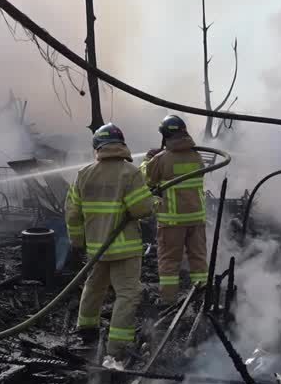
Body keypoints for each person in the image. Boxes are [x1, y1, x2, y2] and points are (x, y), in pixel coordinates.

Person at [65, 123, 155, 366]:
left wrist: (77, 242)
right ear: (121, 144)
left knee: (94, 286)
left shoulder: (84, 174)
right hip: (124, 249)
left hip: (97, 249)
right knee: (127, 294)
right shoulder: (130, 173)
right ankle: (117, 348)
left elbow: (72, 214)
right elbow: (141, 210)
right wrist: (152, 200)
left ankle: (86, 329)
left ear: (98, 147)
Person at [144, 115, 207, 303]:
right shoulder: (197, 156)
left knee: (170, 263)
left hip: (172, 221)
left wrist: (148, 159)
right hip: (196, 219)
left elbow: (146, 180)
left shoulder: (161, 159)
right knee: (198, 260)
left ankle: (168, 302)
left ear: (165, 135)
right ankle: (200, 300)